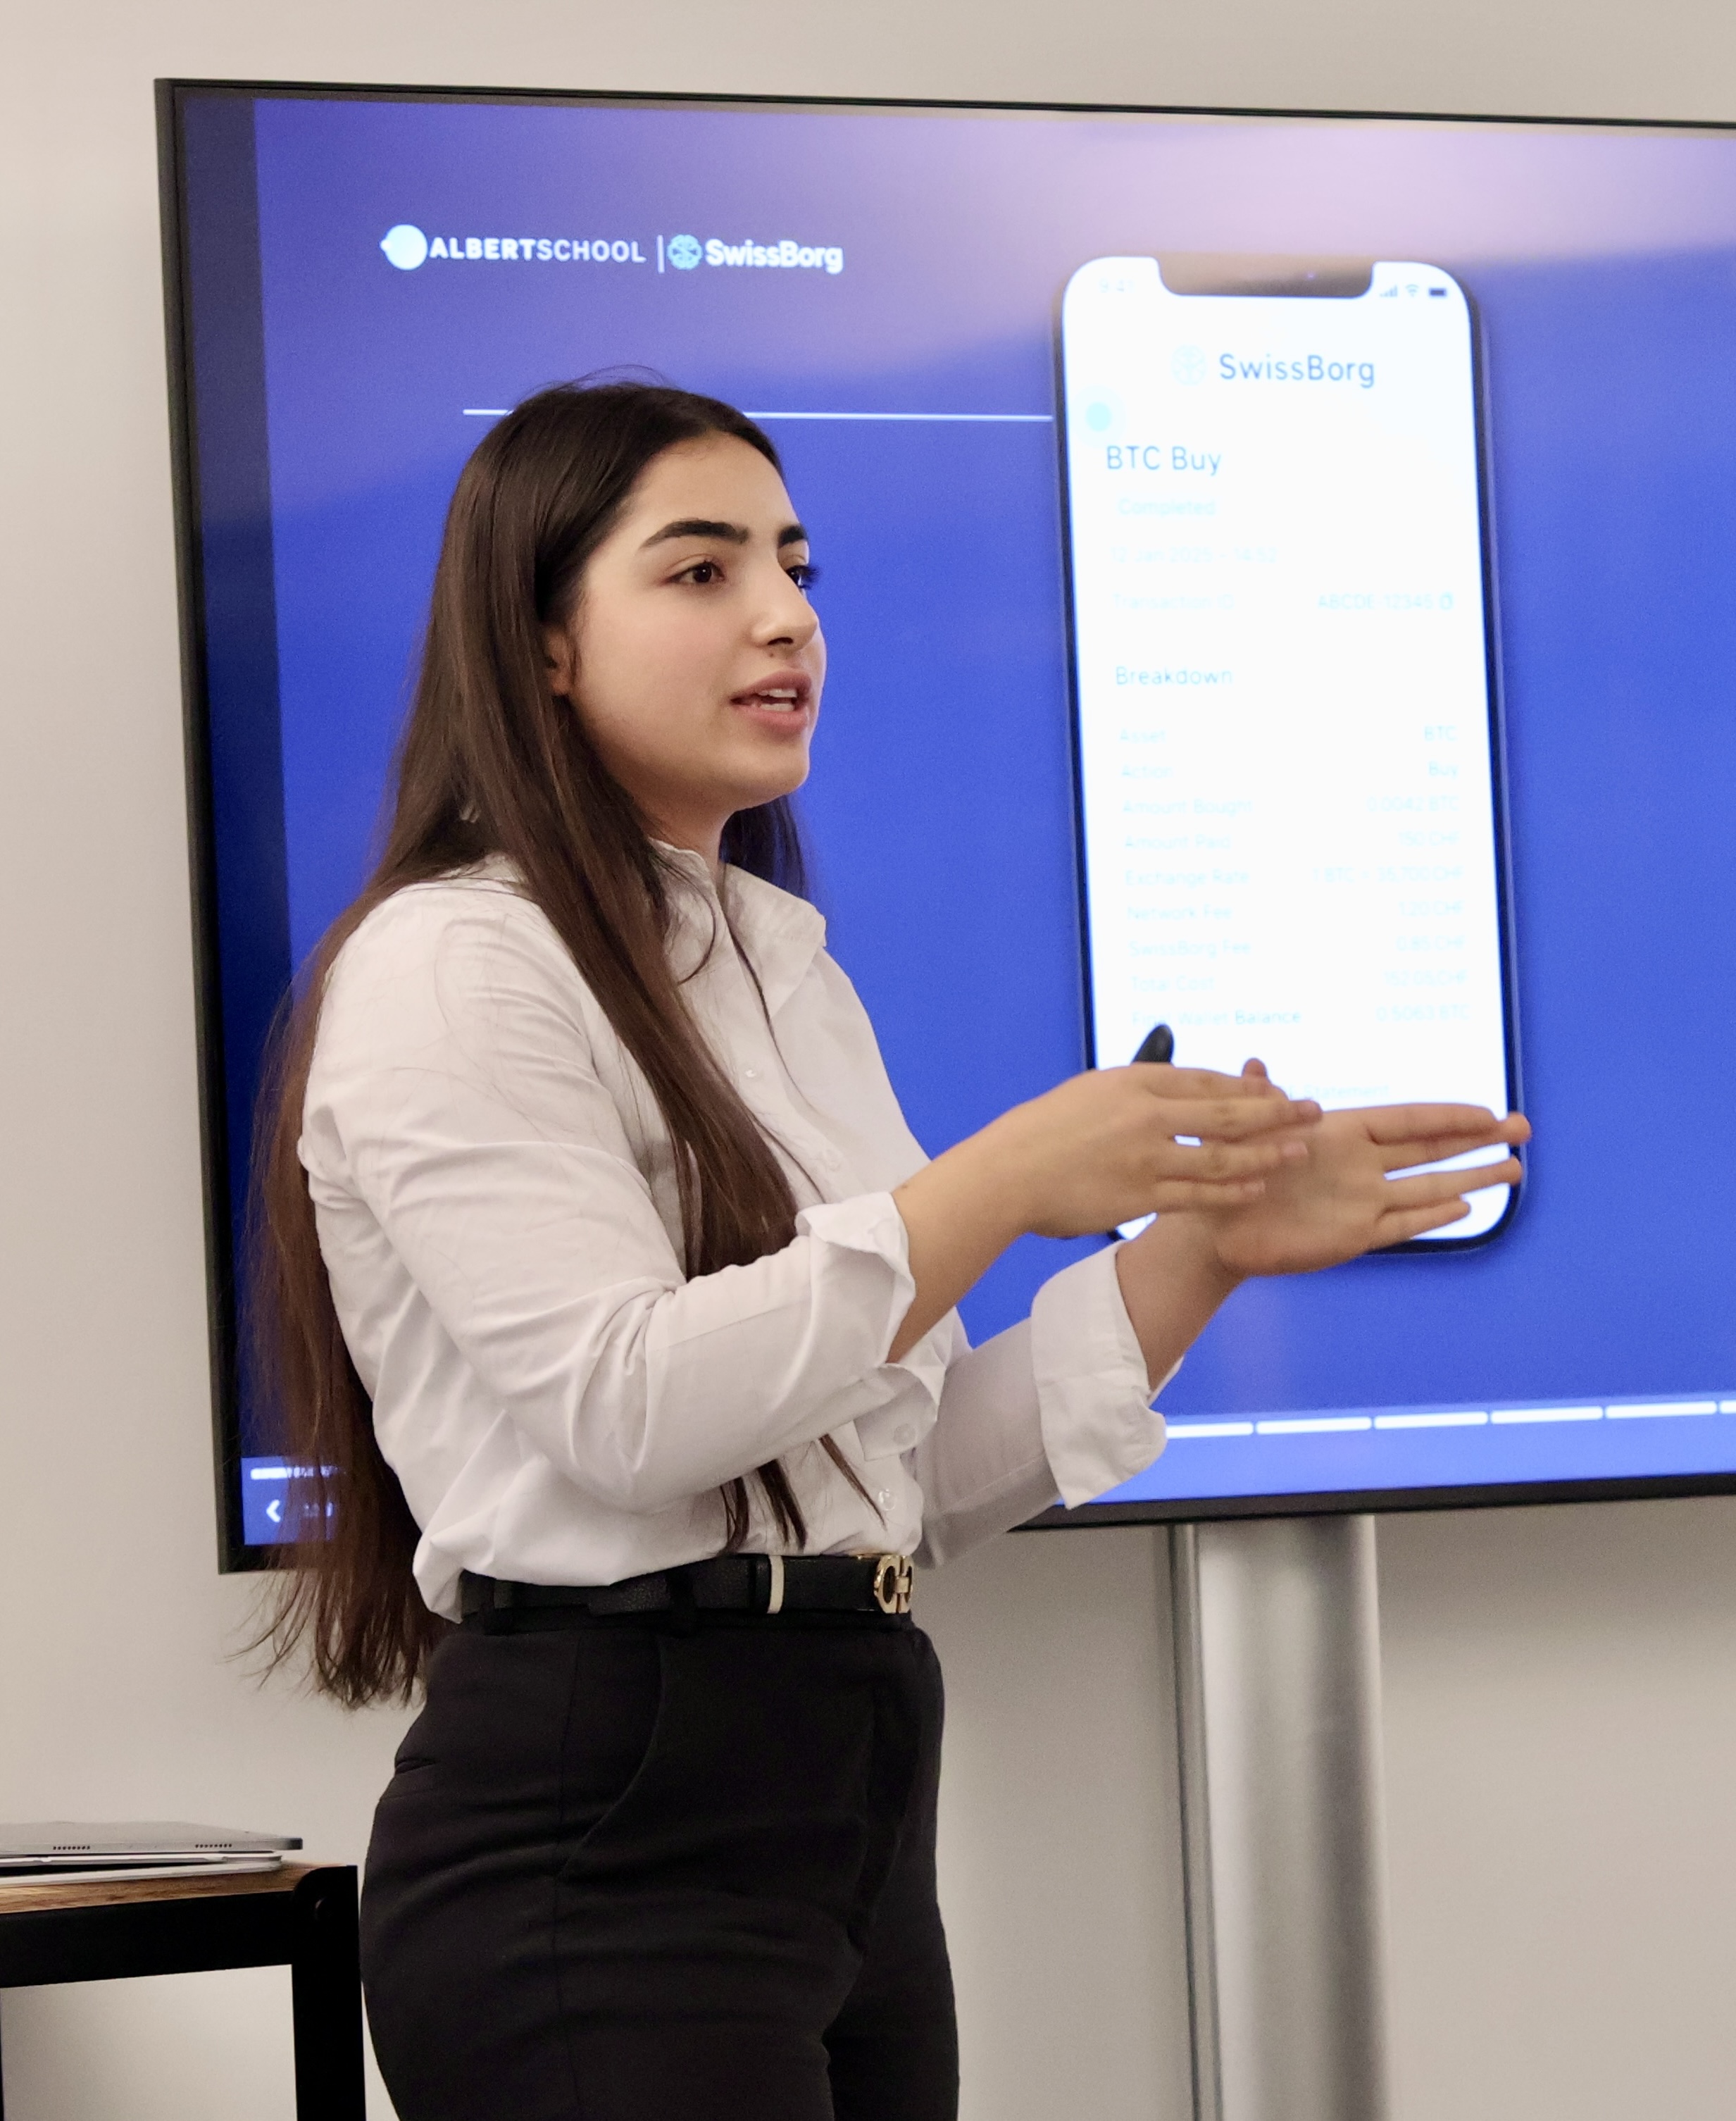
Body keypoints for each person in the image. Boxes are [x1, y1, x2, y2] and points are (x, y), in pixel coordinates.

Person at [253, 380, 1528, 2121]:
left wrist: (1202, 1251)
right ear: (541, 643)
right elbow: (627, 1413)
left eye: (795, 564)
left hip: (847, 1802)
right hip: (603, 1839)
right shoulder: (454, 965)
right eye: (698, 573)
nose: (785, 616)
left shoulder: (785, 973)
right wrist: (1001, 1179)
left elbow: (892, 1483)